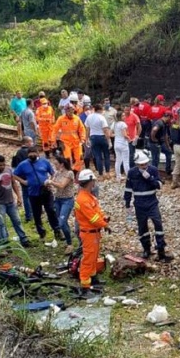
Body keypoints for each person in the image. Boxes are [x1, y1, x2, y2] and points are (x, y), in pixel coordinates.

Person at [124, 152, 173, 261]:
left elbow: (159, 185)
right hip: (139, 205)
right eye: (142, 165)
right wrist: (127, 204)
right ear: (137, 164)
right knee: (142, 228)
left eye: (146, 164)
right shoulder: (132, 173)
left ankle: (161, 251)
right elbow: (128, 188)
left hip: (152, 203)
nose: (144, 166)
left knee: (158, 225)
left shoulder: (153, 170)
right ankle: (146, 249)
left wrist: (150, 178)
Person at [12, 146, 61, 245]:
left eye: (34, 153)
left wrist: (50, 181)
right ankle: (41, 232)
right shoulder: (23, 164)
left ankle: (57, 230)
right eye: (30, 154)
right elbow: (14, 174)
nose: (32, 155)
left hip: (46, 191)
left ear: (38, 153)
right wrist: (23, 182)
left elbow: (52, 173)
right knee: (37, 214)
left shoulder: (44, 162)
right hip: (33, 193)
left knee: (51, 210)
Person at [73, 169, 110, 297]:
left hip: (94, 232)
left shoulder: (89, 196)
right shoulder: (83, 199)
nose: (94, 182)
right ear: (89, 182)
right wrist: (104, 224)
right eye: (93, 180)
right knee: (88, 259)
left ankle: (93, 279)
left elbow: (97, 212)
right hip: (89, 233)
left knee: (93, 257)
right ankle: (85, 287)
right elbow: (92, 218)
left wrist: (103, 218)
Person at [0, 155, 30, 248]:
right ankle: (5, 242)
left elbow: (14, 183)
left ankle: (23, 238)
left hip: (10, 201)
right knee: (1, 223)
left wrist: (18, 196)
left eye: (3, 165)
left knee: (17, 220)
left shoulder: (9, 170)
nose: (2, 167)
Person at [48, 155, 76, 254]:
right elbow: (54, 184)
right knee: (63, 222)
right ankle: (69, 240)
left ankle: (70, 244)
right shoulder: (57, 173)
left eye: (56, 164)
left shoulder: (69, 173)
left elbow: (61, 185)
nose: (54, 166)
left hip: (67, 200)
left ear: (62, 164)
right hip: (58, 199)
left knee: (62, 222)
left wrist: (50, 182)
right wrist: (49, 185)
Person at [52, 105, 86, 172]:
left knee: (80, 158)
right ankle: (69, 171)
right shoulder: (61, 119)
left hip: (76, 141)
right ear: (65, 111)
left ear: (73, 110)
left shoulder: (77, 118)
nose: (70, 112)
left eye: (72, 110)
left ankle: (76, 171)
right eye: (68, 110)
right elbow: (55, 130)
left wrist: (83, 139)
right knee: (67, 158)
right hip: (65, 142)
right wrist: (53, 141)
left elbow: (82, 129)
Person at [11, 137, 35, 222]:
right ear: (27, 143)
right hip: (32, 177)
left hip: (23, 178)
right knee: (33, 195)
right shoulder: (31, 152)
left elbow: (13, 166)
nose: (32, 143)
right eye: (31, 141)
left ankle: (28, 215)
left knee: (26, 196)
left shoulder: (17, 152)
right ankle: (33, 213)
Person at [84, 104, 111, 177]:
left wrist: (87, 138)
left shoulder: (89, 117)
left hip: (93, 137)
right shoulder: (101, 117)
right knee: (106, 155)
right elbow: (105, 129)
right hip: (102, 137)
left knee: (98, 156)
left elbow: (87, 129)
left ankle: (100, 174)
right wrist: (109, 140)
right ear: (99, 110)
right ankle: (107, 172)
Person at [113, 108, 131, 180]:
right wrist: (129, 138)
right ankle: (129, 177)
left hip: (116, 143)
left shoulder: (114, 124)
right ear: (120, 117)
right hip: (123, 144)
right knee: (126, 161)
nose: (124, 116)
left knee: (118, 160)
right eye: (123, 115)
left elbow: (111, 133)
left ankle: (118, 176)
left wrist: (117, 135)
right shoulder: (123, 124)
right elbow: (124, 135)